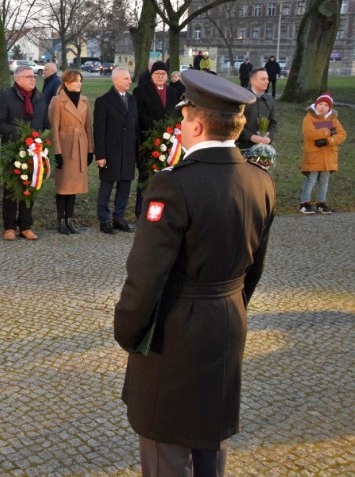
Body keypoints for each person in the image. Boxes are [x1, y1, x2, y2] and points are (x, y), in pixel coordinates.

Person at [114, 69, 275, 477]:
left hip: (175, 334)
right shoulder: (261, 181)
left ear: (198, 124)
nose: (180, 125)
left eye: (183, 118)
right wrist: (229, 305)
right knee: (210, 443)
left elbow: (146, 276)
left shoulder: (172, 185)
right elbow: (254, 267)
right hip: (228, 319)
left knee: (165, 448)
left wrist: (128, 332)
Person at [0, 65, 47, 241]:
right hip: (12, 150)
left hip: (35, 150)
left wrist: (42, 139)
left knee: (30, 187)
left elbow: (46, 123)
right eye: (28, 76)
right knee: (11, 188)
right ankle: (9, 227)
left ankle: (25, 225)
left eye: (33, 76)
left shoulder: (40, 98)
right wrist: (22, 134)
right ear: (17, 79)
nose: (33, 79)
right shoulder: (5, 97)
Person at [93, 66, 138, 234]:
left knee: (125, 185)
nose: (130, 81)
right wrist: (101, 155)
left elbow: (135, 125)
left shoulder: (132, 100)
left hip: (127, 151)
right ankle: (104, 220)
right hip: (110, 152)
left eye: (129, 78)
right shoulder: (103, 101)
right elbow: (99, 130)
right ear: (116, 80)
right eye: (126, 78)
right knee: (107, 186)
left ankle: (119, 217)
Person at [48, 69, 94, 235]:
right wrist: (57, 152)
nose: (79, 83)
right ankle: (61, 219)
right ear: (66, 83)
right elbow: (54, 128)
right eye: (76, 81)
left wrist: (90, 149)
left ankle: (70, 219)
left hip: (80, 144)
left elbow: (88, 126)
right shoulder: (57, 101)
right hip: (66, 144)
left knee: (74, 185)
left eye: (81, 80)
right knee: (63, 185)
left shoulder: (84, 100)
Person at [133, 61, 180, 217]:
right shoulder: (140, 91)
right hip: (148, 140)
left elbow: (175, 114)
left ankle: (164, 210)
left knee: (166, 176)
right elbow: (139, 115)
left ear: (167, 76)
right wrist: (158, 128)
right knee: (146, 175)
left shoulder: (173, 92)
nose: (160, 77)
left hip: (169, 142)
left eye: (163, 74)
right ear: (151, 75)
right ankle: (141, 211)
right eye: (157, 74)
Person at [299, 93, 347, 215]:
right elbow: (309, 133)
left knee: (324, 181)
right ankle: (305, 203)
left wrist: (328, 140)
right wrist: (328, 132)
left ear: (329, 108)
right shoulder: (309, 117)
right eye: (320, 104)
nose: (322, 107)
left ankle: (321, 203)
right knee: (311, 179)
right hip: (314, 155)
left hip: (329, 156)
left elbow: (342, 134)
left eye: (326, 105)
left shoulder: (333, 119)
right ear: (316, 104)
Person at [236, 68, 277, 151]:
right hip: (242, 147)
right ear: (253, 81)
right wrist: (250, 136)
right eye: (263, 79)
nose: (267, 82)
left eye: (267, 78)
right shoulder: (241, 98)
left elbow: (273, 122)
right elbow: (234, 123)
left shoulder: (270, 100)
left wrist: (269, 137)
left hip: (263, 148)